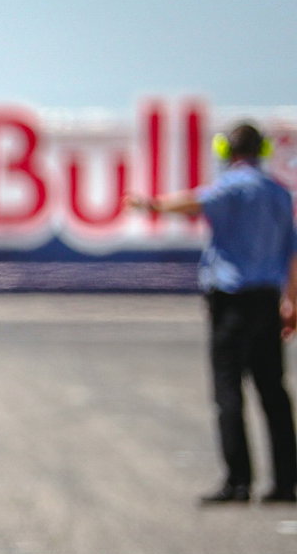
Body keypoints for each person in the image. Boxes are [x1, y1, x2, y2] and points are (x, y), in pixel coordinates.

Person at [126, 121, 297, 504]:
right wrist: (292, 302)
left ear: (225, 150)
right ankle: (286, 482)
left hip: (232, 301)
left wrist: (152, 204)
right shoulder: (279, 193)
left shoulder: (231, 186)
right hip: (267, 300)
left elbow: (194, 201)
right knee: (273, 391)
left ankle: (238, 481)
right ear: (263, 151)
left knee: (228, 391)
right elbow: (292, 254)